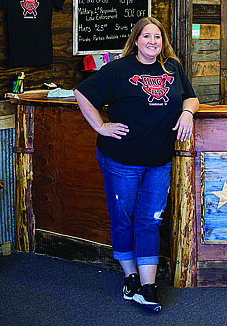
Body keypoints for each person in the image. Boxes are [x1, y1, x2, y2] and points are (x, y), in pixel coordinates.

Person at [74, 17, 199, 312]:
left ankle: (148, 286)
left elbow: (192, 98)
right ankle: (130, 276)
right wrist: (101, 126)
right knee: (124, 218)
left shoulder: (173, 67)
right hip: (121, 160)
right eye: (147, 37)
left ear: (162, 41)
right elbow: (82, 93)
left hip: (158, 161)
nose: (152, 42)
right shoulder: (119, 69)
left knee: (150, 220)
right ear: (136, 40)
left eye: (157, 37)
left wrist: (187, 113)